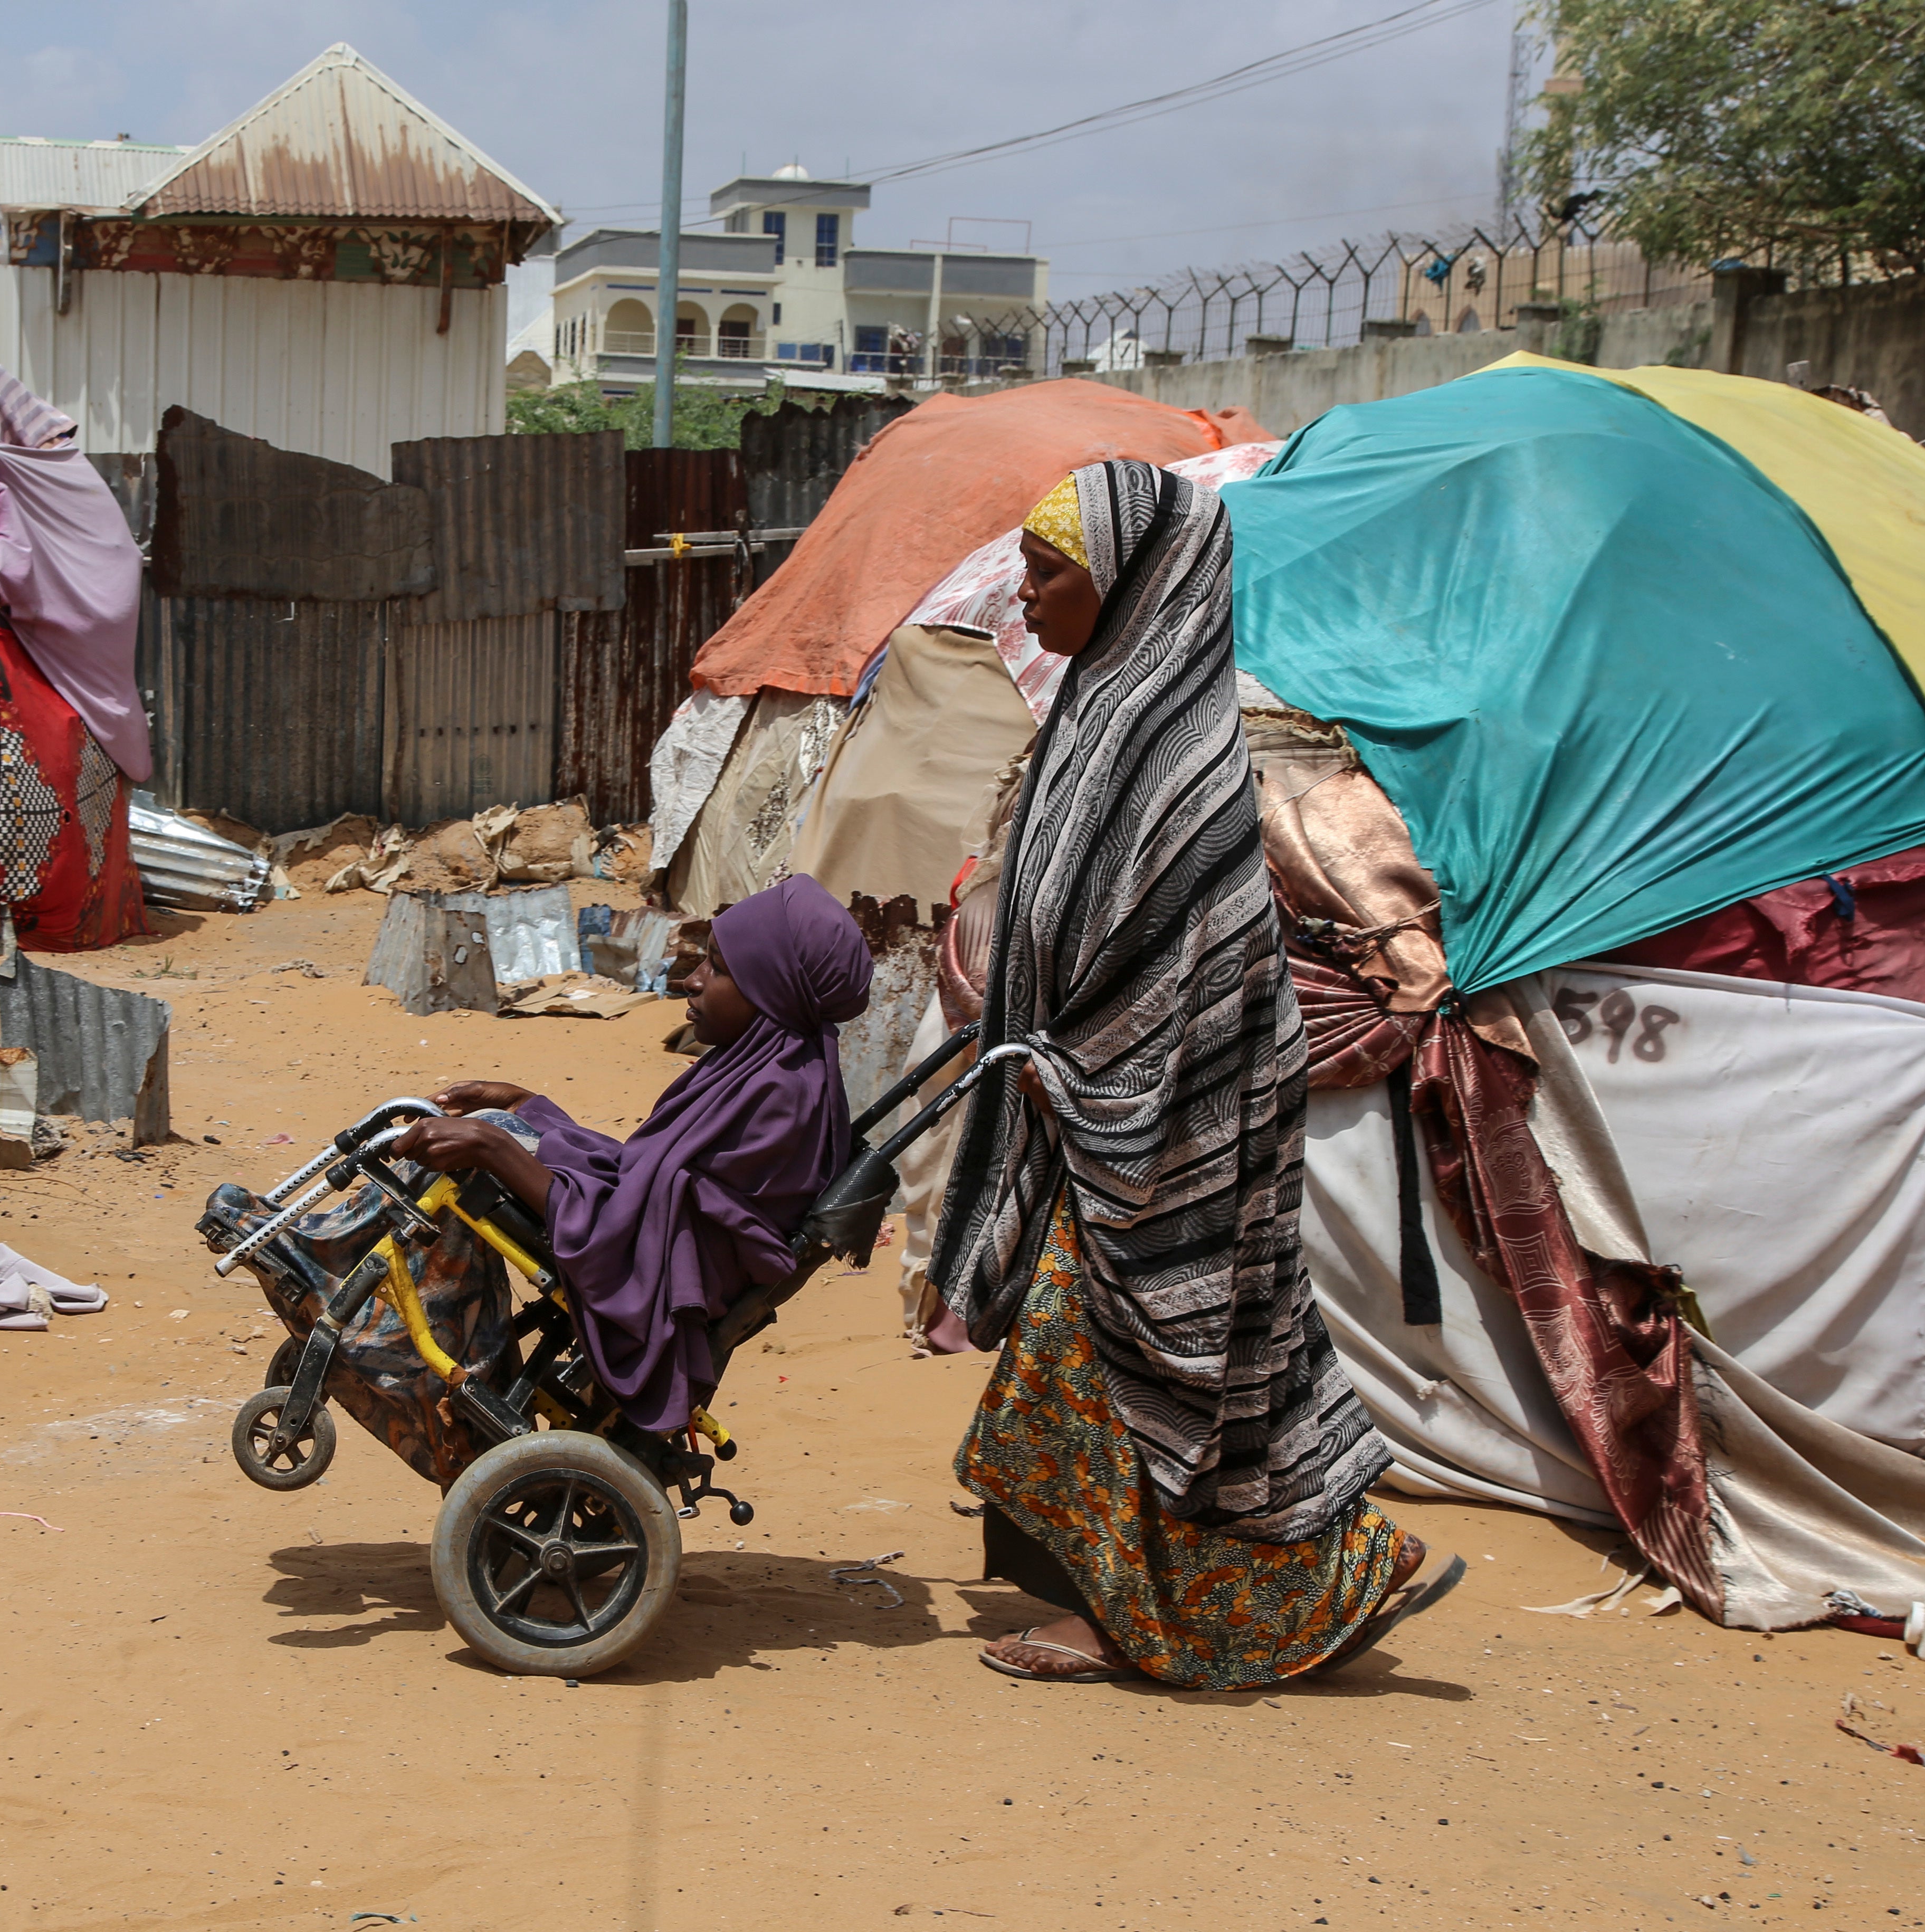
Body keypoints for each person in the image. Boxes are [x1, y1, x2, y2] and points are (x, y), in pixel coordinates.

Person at [929, 460, 1462, 1687]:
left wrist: (1083, 1080)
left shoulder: (1167, 754)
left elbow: (1180, 973)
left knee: (1134, 1357)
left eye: (1051, 574)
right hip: (1111, 1111)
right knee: (1207, 1366)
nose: (1027, 594)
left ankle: (1173, 1606)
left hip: (1170, 1122)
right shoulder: (1099, 712)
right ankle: (1343, 1557)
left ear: (1129, 585)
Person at [387, 871, 871, 1439]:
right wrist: (526, 1107)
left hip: (658, 1283)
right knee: (487, 1130)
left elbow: (655, 1234)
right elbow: (647, 1175)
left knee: (477, 1151)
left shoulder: (784, 1098)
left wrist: (496, 1146)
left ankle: (393, 1343)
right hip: (649, 1241)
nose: (691, 980)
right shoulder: (754, 1068)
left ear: (770, 989)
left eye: (716, 966)